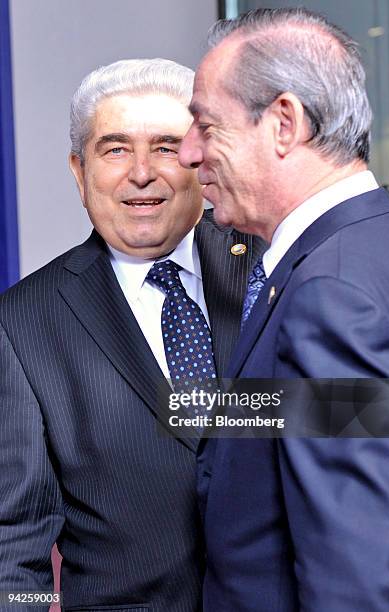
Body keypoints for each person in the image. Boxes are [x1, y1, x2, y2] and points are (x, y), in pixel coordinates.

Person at [0, 58, 264, 611]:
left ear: (201, 160)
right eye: (115, 149)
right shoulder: (24, 320)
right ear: (79, 170)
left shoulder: (275, 269)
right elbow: (12, 540)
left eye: (166, 147)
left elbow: (361, 420)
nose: (141, 173)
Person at [179, 8, 389, 612]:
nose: (187, 153)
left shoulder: (330, 294)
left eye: (206, 125)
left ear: (284, 123)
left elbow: (352, 573)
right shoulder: (379, 247)